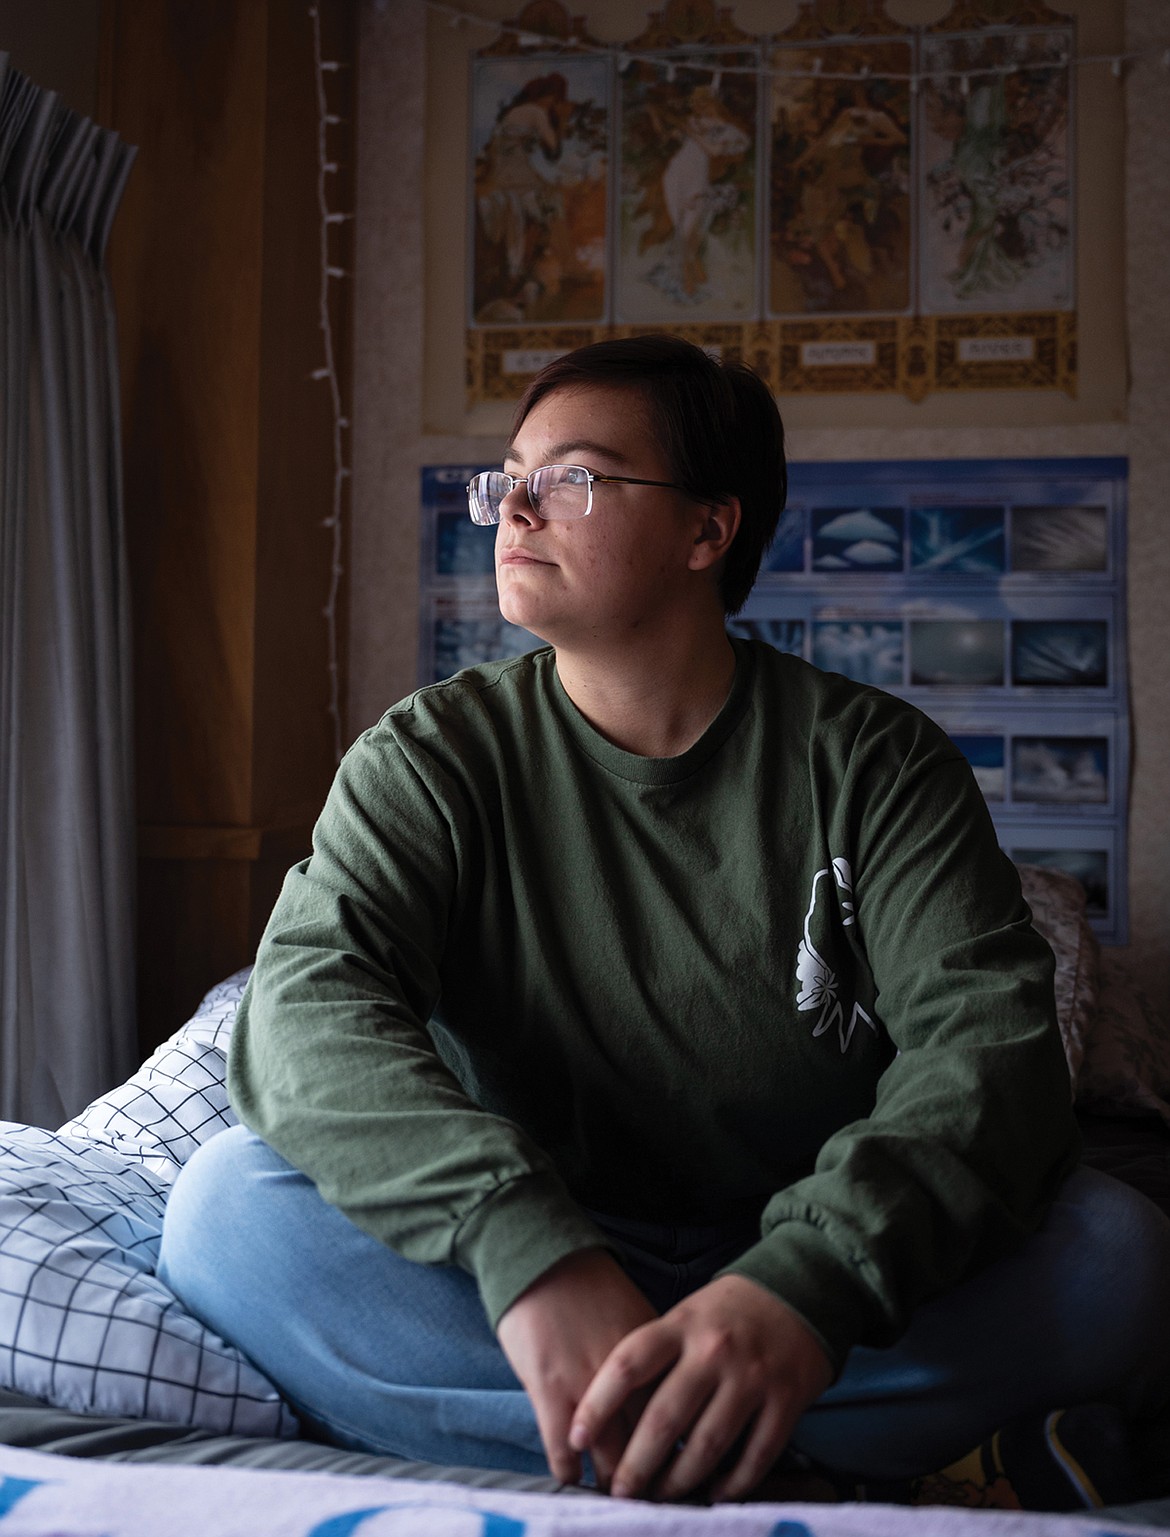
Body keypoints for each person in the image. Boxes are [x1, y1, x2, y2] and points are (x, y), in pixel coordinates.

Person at [159, 336, 1170, 1506]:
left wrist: (805, 1288)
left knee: (1119, 1256)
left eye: (573, 477)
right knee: (225, 1213)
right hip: (536, 1256)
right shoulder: (429, 758)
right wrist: (527, 1249)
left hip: (803, 1259)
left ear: (708, 530)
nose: (515, 507)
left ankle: (631, 1433)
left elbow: (989, 1056)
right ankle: (780, 1456)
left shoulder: (877, 764)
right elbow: (305, 1011)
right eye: (509, 476)